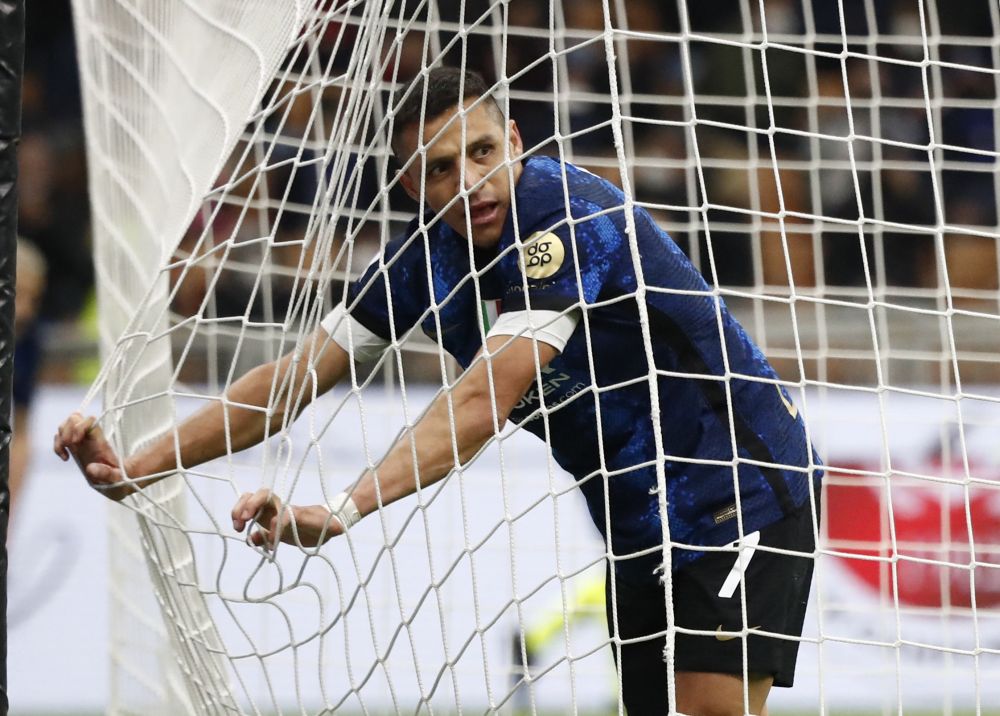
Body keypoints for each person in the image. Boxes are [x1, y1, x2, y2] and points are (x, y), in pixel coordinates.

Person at [54, 67, 822, 715]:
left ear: (515, 141)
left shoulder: (565, 218)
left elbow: (482, 402)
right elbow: (293, 377)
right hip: (633, 511)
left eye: (484, 151)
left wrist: (344, 508)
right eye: (440, 168)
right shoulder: (422, 262)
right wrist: (139, 463)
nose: (472, 183)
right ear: (408, 181)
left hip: (738, 481)